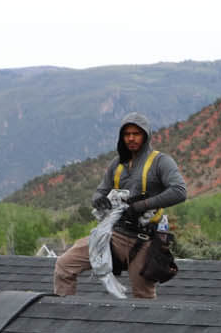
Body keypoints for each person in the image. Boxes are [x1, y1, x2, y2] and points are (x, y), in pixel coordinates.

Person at [53, 114, 187, 300]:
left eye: (136, 133)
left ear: (146, 135)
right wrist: (99, 200)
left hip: (144, 240)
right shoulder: (117, 164)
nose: (131, 138)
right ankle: (63, 312)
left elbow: (180, 191)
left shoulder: (161, 162)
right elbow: (100, 191)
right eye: (126, 134)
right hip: (113, 235)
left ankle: (144, 329)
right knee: (64, 265)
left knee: (143, 298)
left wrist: (142, 206)